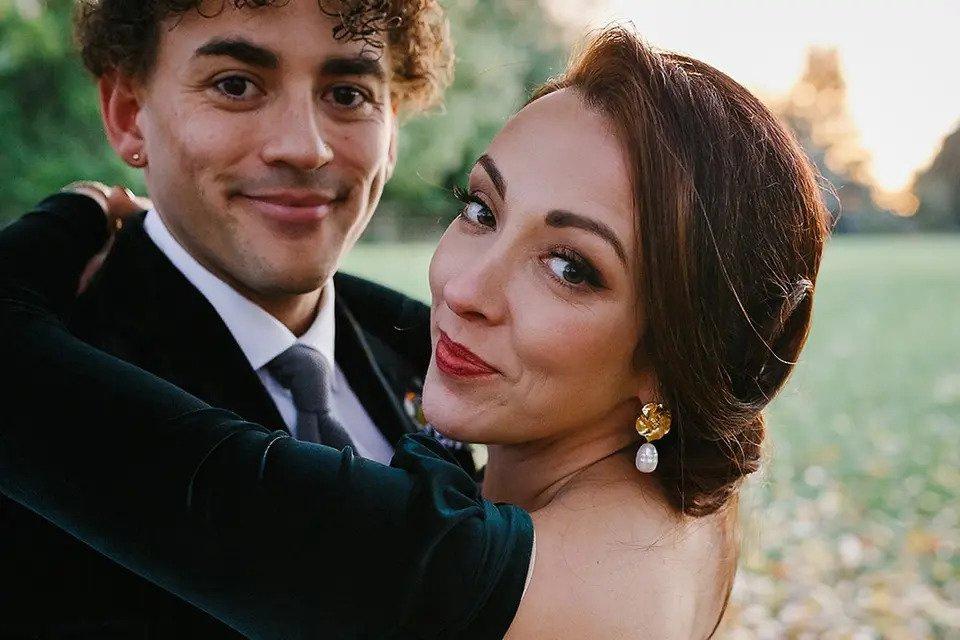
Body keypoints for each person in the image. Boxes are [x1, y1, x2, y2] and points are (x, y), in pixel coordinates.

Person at [0, 25, 830, 639]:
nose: (461, 291)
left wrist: (69, 214)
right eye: (481, 210)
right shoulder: (656, 502)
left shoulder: (527, 555)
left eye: (572, 267)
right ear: (126, 110)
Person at [0, 2, 477, 638]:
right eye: (235, 86)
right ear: (126, 113)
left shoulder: (427, 359)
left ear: (392, 123)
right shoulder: (41, 388)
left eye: (347, 93)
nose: (305, 148)